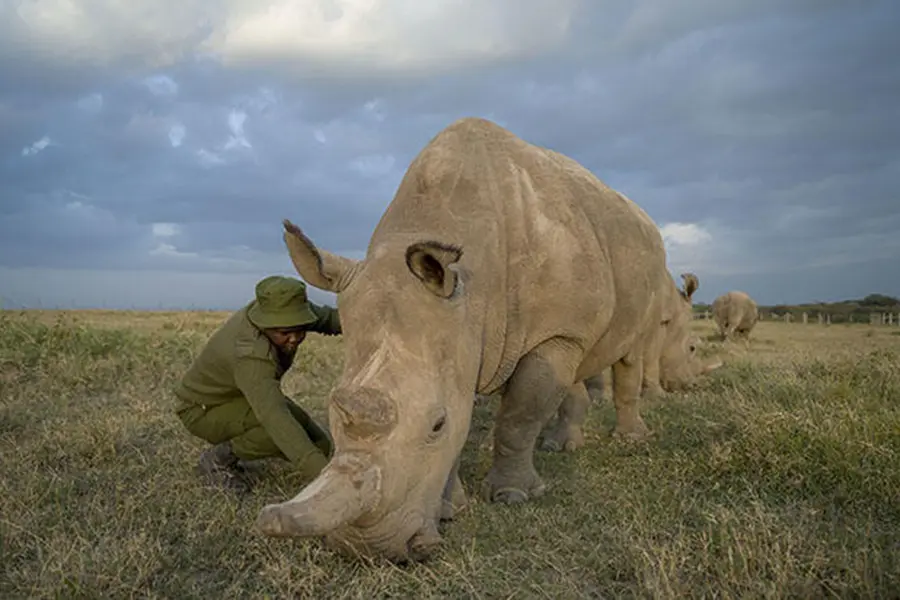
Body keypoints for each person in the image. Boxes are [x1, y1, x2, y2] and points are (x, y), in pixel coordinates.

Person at [173, 275, 341, 494]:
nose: (294, 338)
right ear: (265, 325)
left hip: (238, 396)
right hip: (202, 410)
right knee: (278, 434)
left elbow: (333, 319)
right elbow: (276, 420)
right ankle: (217, 460)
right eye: (284, 333)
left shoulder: (286, 311)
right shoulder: (251, 356)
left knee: (321, 445)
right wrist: (330, 482)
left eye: (300, 329)